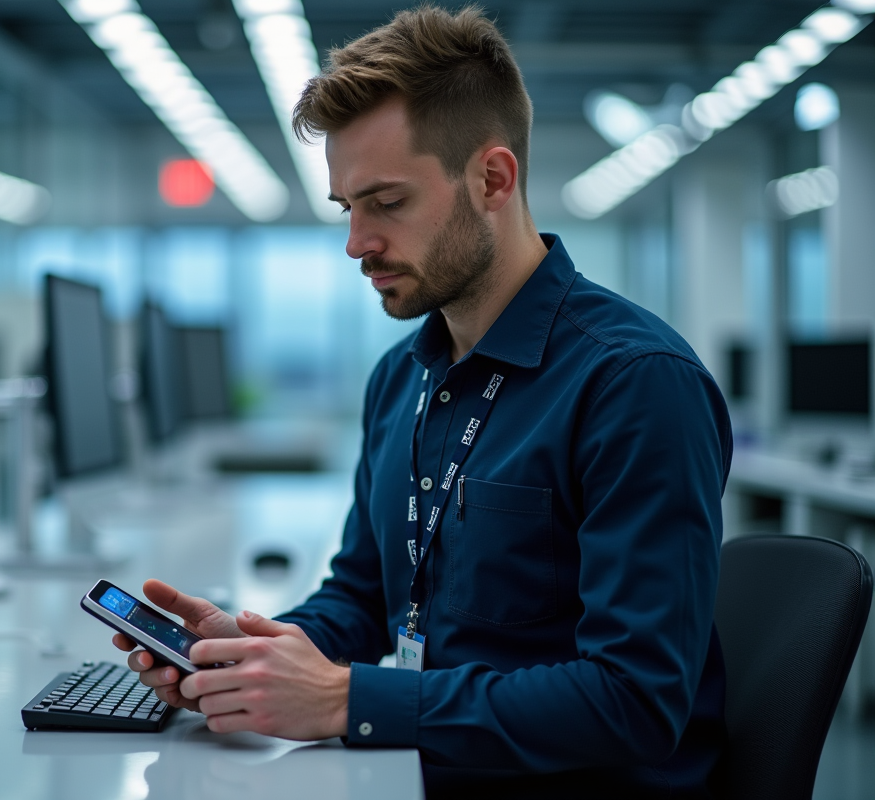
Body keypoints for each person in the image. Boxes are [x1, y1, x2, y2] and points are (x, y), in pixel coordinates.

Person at [112, 5, 730, 797]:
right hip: (425, 768)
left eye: (387, 203)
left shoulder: (635, 384)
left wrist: (346, 699)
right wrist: (258, 653)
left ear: (493, 179)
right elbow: (366, 595)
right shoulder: (402, 378)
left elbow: (636, 702)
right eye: (347, 208)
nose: (355, 242)